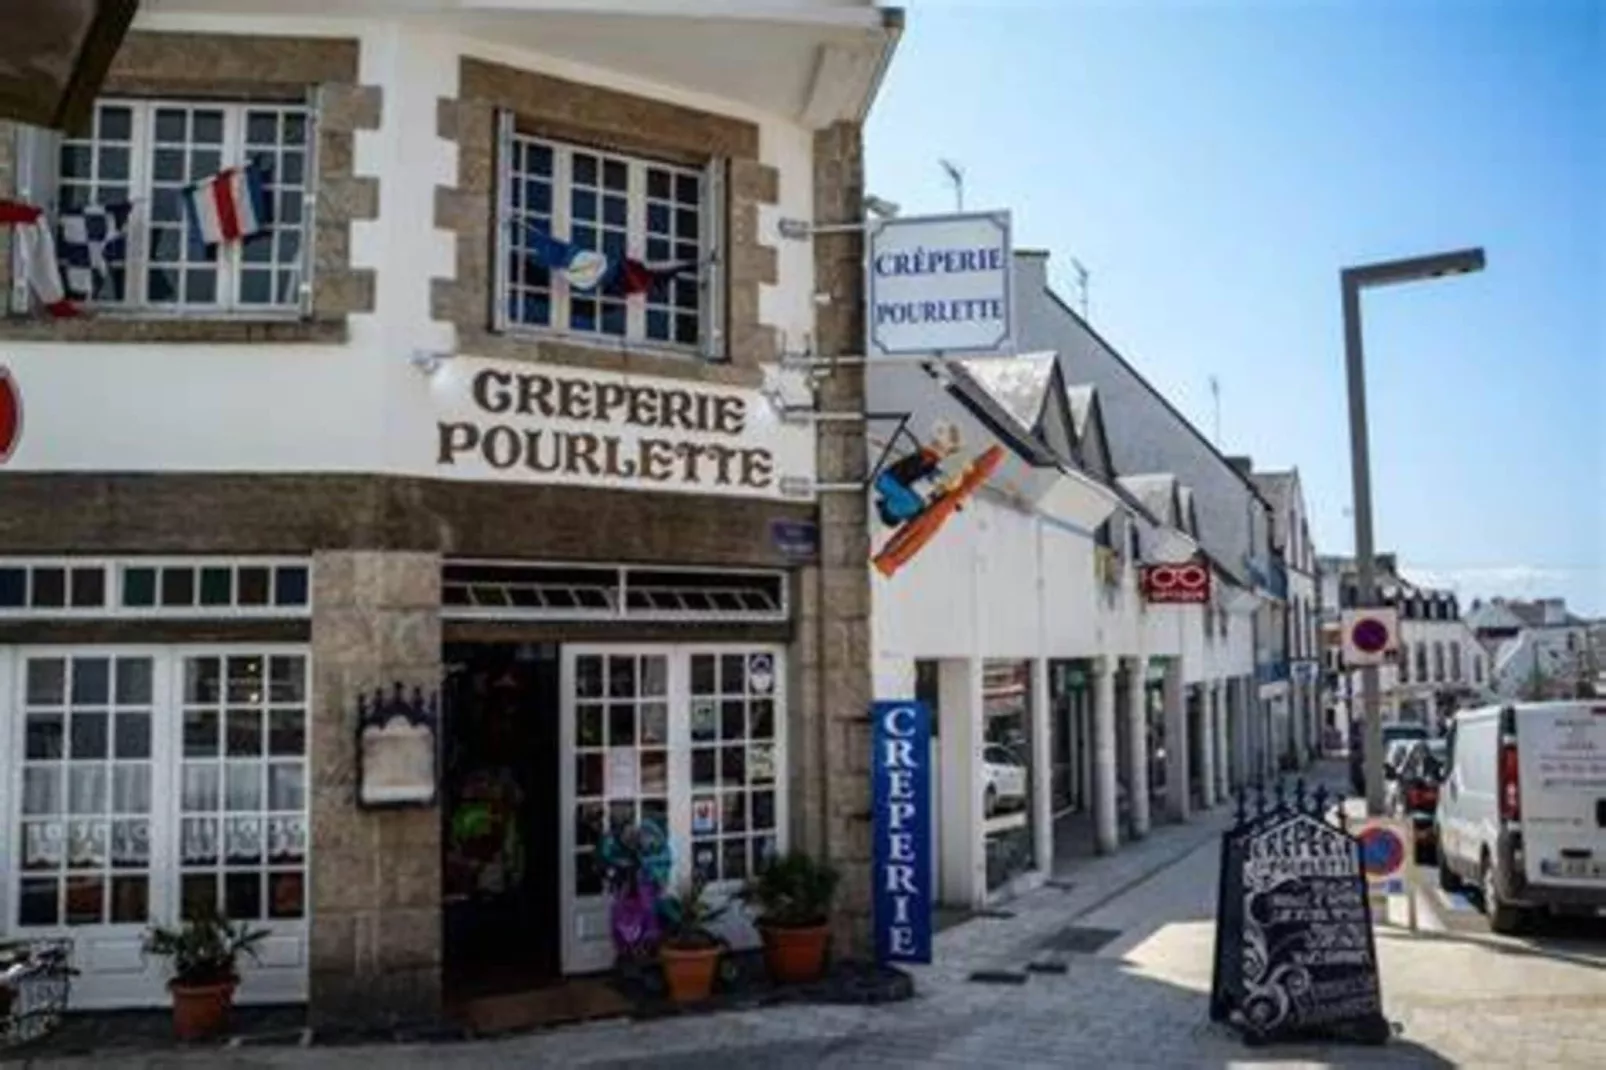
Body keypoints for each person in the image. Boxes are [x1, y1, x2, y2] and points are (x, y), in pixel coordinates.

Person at [874, 419, 963, 527]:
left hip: (903, 481)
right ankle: (944, 449)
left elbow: (923, 507)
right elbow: (924, 507)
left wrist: (950, 502)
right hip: (903, 481)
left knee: (927, 468)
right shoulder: (899, 505)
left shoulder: (901, 507)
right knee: (928, 468)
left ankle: (945, 448)